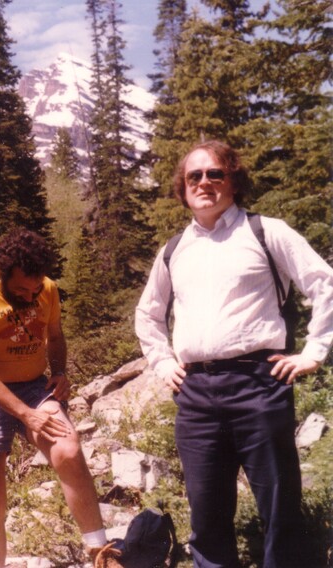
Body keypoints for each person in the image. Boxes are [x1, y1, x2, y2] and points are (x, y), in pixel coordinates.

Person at [135, 140, 333, 568]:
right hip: (196, 393)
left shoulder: (266, 232)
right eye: (194, 176)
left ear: (233, 180)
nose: (204, 182)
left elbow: (325, 283)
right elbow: (147, 313)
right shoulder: (173, 250)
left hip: (260, 384)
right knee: (206, 514)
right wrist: (162, 361)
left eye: (214, 174)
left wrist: (314, 351)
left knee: (279, 508)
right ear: (183, 188)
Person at [0, 228, 115, 568]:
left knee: (68, 450)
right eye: (21, 290)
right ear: (2, 275)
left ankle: (100, 552)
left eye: (35, 289)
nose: (31, 297)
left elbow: (55, 336)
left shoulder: (49, 290)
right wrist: (26, 416)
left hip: (33, 384)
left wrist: (58, 371)